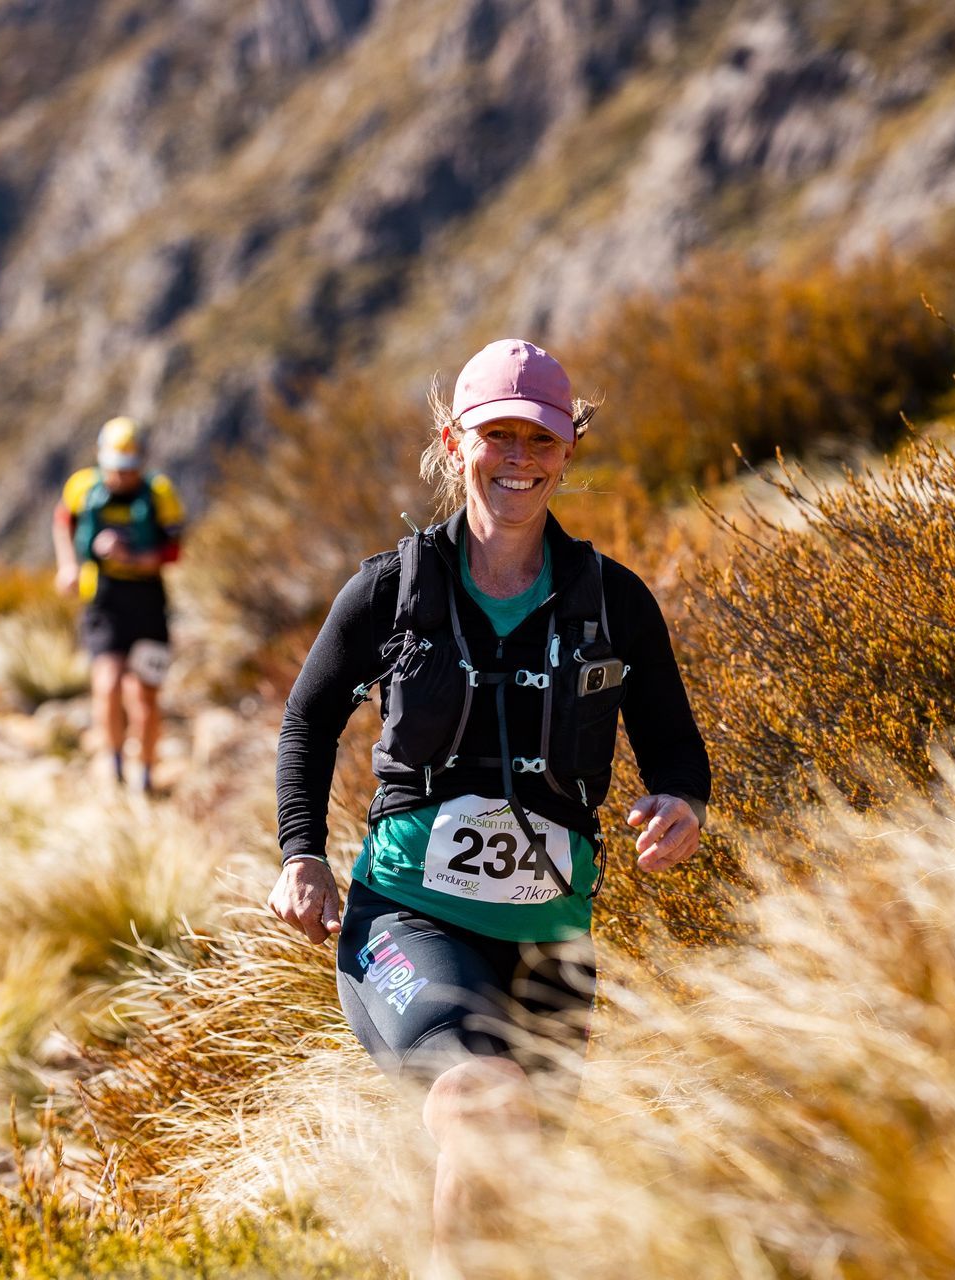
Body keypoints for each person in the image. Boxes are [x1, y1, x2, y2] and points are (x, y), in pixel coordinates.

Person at [267, 339, 711, 1260]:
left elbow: (674, 745)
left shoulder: (613, 603)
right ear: (452, 438)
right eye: (497, 436)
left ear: (568, 451)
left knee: (523, 1180)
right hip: (406, 925)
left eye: (540, 440)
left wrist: (682, 805)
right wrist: (302, 854)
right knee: (483, 1099)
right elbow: (308, 722)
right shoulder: (391, 590)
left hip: (552, 943)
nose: (519, 460)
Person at [53, 416, 186, 794]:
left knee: (144, 694)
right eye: (115, 469)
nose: (121, 477)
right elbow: (62, 520)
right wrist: (68, 565)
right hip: (103, 599)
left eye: (128, 469)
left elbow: (174, 550)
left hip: (147, 601)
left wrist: (134, 558)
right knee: (107, 683)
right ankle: (112, 765)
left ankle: (143, 774)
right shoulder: (82, 488)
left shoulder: (160, 493)